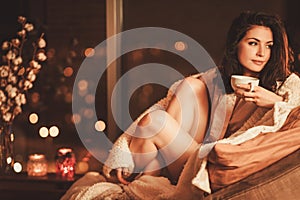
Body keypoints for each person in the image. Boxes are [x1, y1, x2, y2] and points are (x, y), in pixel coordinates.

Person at [103, 11, 296, 186]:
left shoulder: (285, 85)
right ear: (236, 45)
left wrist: (275, 102)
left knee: (155, 121)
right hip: (195, 155)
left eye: (269, 46)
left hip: (216, 165)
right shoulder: (216, 79)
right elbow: (162, 106)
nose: (262, 53)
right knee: (188, 88)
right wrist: (123, 155)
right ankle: (149, 180)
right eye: (253, 43)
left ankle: (147, 178)